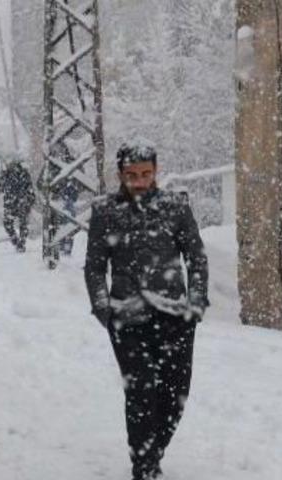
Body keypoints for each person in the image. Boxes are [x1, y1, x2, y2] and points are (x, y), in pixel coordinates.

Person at [84, 142, 209, 480]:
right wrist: (103, 308)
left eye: (145, 174)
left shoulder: (176, 206)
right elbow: (95, 266)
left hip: (176, 316)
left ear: (155, 172)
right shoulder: (105, 211)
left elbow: (196, 258)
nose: (139, 181)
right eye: (131, 175)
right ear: (121, 175)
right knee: (141, 393)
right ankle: (145, 467)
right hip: (127, 318)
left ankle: (153, 451)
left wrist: (196, 303)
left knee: (175, 396)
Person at [0, 157, 36, 252]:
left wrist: (2, 177)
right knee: (22, 224)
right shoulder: (23, 173)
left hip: (13, 203)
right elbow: (30, 188)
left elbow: (0, 189)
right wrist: (30, 200)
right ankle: (20, 242)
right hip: (20, 202)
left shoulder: (9, 174)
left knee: (10, 223)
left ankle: (17, 241)